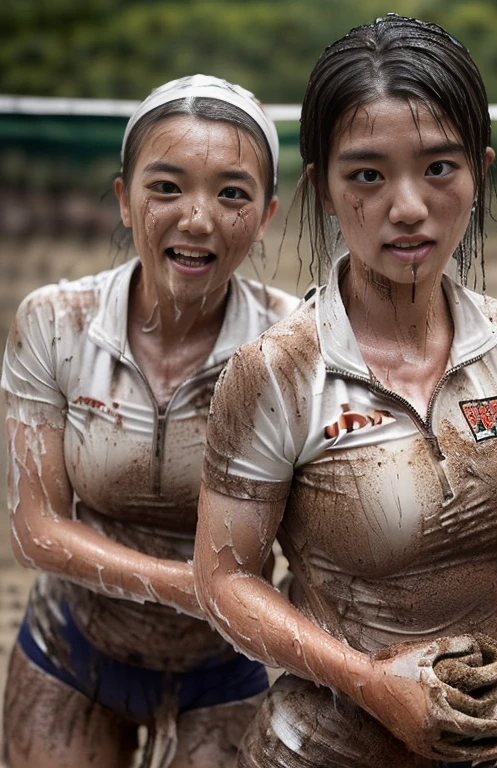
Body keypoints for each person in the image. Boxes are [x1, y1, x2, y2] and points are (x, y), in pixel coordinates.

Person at [194, 13, 497, 768]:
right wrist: (371, 683)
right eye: (367, 174)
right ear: (323, 188)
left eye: (438, 168)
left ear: (480, 172)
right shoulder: (277, 370)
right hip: (323, 747)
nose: (409, 207)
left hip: (489, 751)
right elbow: (224, 579)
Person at [1, 74, 300, 768]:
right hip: (71, 647)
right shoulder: (56, 323)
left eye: (232, 193)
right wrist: (197, 586)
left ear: (265, 215)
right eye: (166, 187)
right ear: (125, 200)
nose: (197, 218)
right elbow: (37, 529)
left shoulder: (294, 346)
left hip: (224, 667)